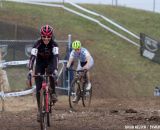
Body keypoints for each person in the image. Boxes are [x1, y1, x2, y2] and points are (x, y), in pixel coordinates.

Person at [28, 24, 59, 122]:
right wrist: (30, 70)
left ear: (51, 36)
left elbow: (56, 57)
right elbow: (32, 57)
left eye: (48, 37)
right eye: (44, 37)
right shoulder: (37, 44)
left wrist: (56, 69)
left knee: (51, 72)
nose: (46, 38)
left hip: (51, 62)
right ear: (41, 36)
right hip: (40, 63)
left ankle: (53, 92)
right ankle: (39, 111)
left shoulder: (54, 44)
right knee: (38, 89)